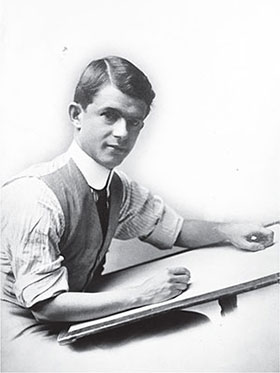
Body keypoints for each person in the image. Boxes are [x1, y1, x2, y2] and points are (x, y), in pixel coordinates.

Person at [1, 56, 274, 334]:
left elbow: (176, 230)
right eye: (109, 115)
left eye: (134, 122)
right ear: (76, 115)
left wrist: (228, 231)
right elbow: (45, 306)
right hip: (19, 336)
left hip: (71, 326)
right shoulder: (34, 194)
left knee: (197, 325)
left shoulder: (118, 187)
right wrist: (142, 295)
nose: (122, 133)